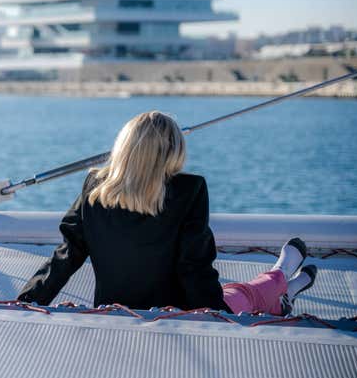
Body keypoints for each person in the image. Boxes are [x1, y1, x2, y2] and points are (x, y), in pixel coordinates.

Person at [17, 111, 317, 315]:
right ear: (173, 149)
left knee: (237, 294)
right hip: (178, 316)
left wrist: (25, 303)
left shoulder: (96, 187)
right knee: (243, 296)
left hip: (113, 314)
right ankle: (281, 280)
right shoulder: (189, 190)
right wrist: (216, 318)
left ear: (124, 147)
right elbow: (194, 267)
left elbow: (66, 256)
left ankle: (285, 280)